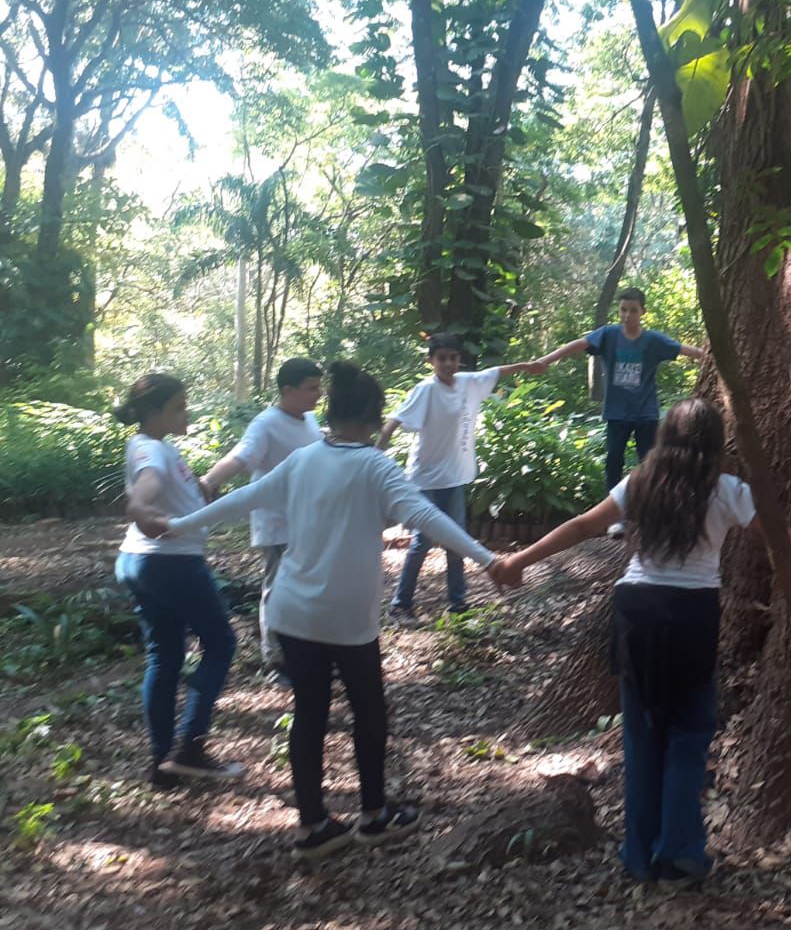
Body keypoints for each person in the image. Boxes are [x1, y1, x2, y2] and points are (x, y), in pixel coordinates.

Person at [139, 363, 522, 860]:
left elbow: (243, 498)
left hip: (292, 613)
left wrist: (176, 525)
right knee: (369, 712)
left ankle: (312, 826)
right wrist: (490, 560)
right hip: (346, 619)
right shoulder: (376, 466)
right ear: (374, 418)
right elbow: (426, 515)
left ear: (333, 413)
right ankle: (374, 815)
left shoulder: (304, 459)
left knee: (309, 714)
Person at [499, 398, 791, 884]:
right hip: (690, 614)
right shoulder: (728, 490)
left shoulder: (641, 483)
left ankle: (638, 854)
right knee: (688, 733)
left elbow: (583, 525)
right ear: (715, 442)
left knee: (641, 733)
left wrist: (519, 560)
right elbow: (784, 540)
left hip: (637, 610)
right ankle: (680, 852)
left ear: (666, 436)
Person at [114, 374, 243, 789]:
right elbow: (147, 486)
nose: (186, 413)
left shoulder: (152, 444)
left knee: (165, 656)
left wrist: (200, 491)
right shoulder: (153, 450)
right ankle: (190, 746)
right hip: (170, 564)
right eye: (179, 407)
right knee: (220, 645)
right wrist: (140, 506)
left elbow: (168, 485)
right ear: (154, 412)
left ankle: (162, 765)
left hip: (140, 562)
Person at [377, 332, 542, 623]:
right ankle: (400, 604)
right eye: (442, 358)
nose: (448, 364)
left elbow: (497, 371)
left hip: (454, 478)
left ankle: (458, 604)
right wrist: (376, 454)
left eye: (453, 358)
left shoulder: (468, 382)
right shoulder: (426, 390)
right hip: (426, 479)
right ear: (431, 360)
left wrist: (528, 366)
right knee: (422, 542)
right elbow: (395, 421)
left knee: (457, 541)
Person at [528, 287, 708, 535]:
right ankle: (616, 517)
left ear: (643, 312)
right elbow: (578, 345)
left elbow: (686, 350)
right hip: (617, 413)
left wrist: (711, 357)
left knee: (649, 462)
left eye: (633, 310)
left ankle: (647, 514)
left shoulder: (653, 341)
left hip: (645, 414)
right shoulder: (608, 335)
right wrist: (546, 360)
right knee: (613, 460)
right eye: (623, 310)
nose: (627, 315)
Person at [197, 357, 323, 685]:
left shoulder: (310, 420)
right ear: (288, 390)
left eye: (319, 386)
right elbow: (241, 456)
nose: (319, 393)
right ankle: (276, 659)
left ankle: (308, 653)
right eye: (311, 388)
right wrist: (210, 480)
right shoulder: (266, 423)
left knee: (309, 590)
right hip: (278, 523)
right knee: (279, 590)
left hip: (310, 522)